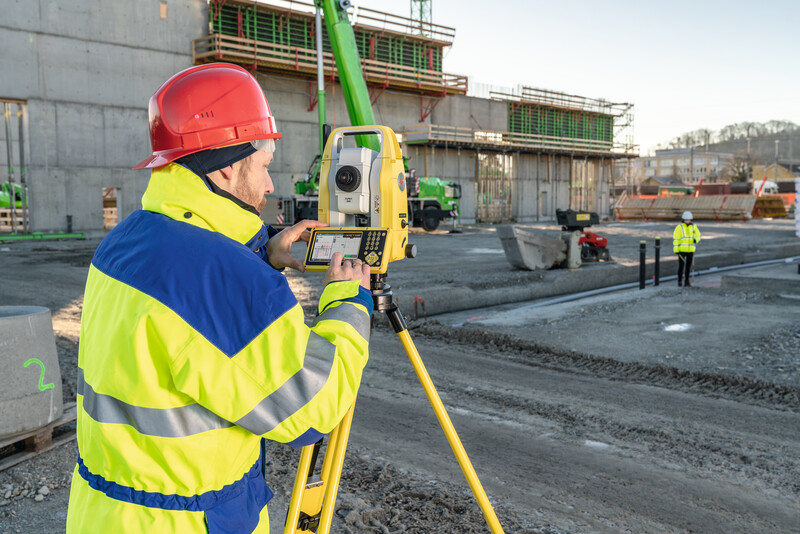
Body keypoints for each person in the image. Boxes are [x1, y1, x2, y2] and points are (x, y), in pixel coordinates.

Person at [66, 63, 372, 533]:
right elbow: (312, 409)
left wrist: (259, 252)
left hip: (105, 514)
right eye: (264, 166)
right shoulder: (226, 279)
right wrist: (348, 304)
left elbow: (184, 288)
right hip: (185, 522)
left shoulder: (125, 239)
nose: (270, 186)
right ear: (228, 165)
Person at [673, 210, 701, 287]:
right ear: (683, 219)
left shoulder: (694, 226)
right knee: (681, 267)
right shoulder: (679, 227)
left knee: (688, 267)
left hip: (690, 250)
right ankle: (679, 281)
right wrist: (676, 250)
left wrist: (696, 240)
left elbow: (698, 235)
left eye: (688, 220)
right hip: (681, 250)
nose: (687, 221)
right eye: (686, 220)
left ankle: (686, 281)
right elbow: (676, 239)